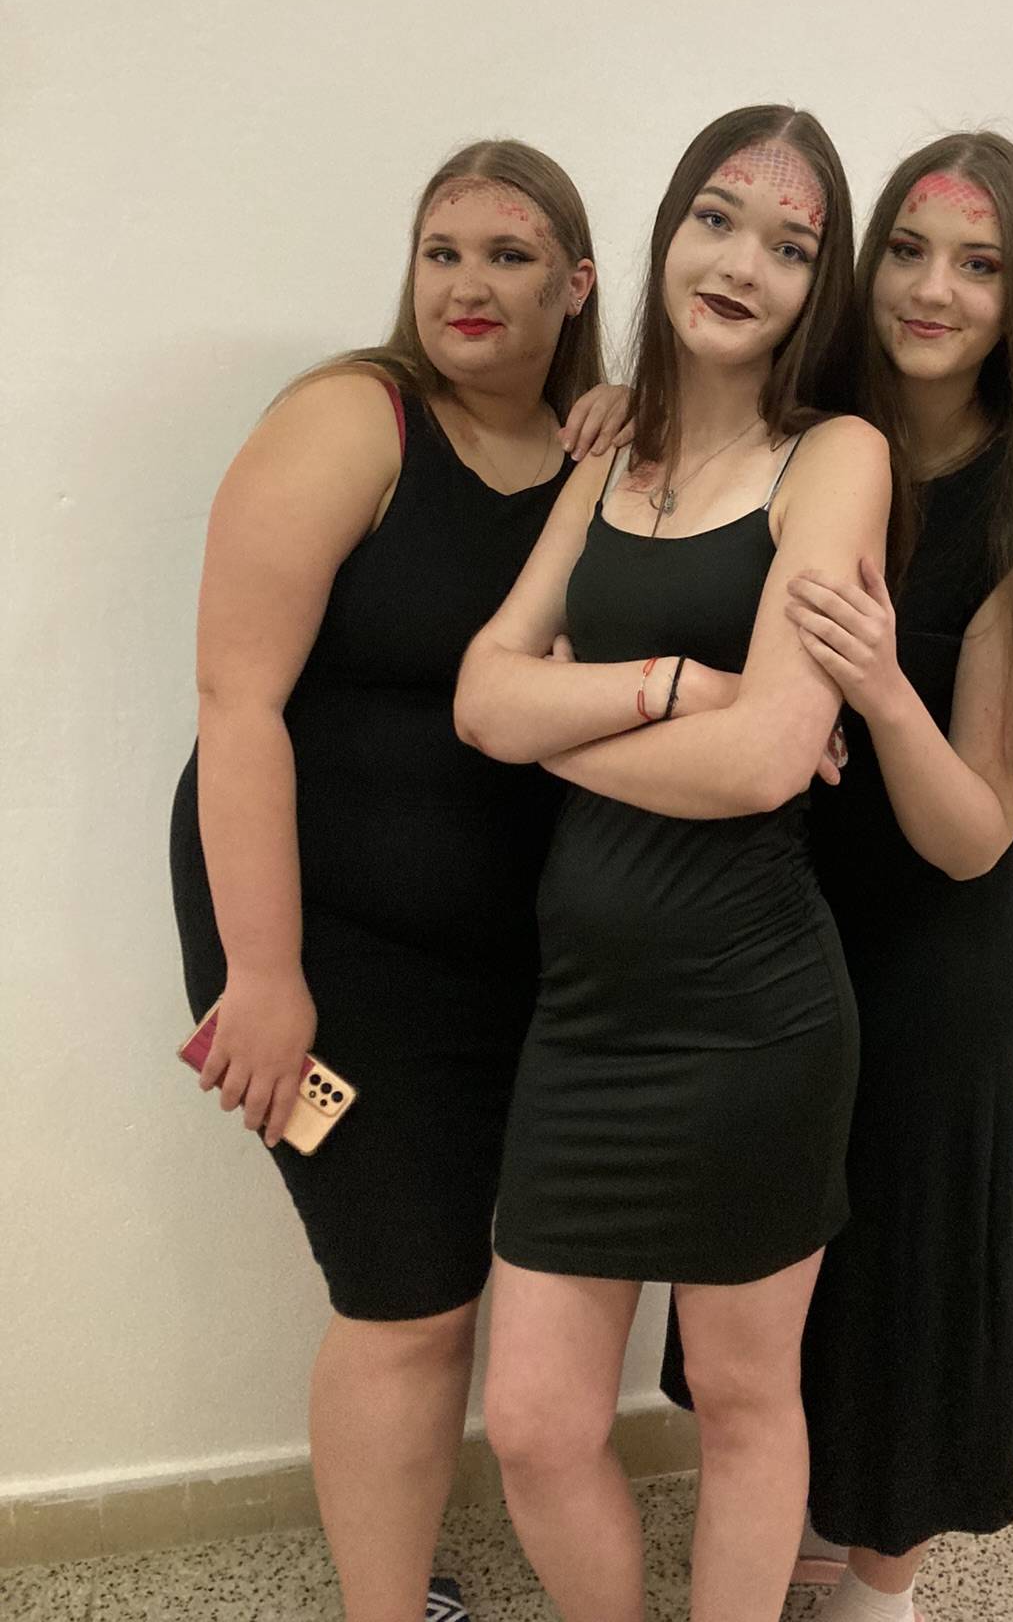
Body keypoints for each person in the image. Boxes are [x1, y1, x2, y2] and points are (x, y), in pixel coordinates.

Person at [663, 132, 1013, 1622]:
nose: (933, 290)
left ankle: (882, 1584)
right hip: (775, 930)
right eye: (911, 253)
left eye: (979, 265)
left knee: (909, 1268)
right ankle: (800, 1523)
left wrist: (878, 684)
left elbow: (973, 831)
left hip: (931, 962)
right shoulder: (820, 440)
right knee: (784, 1262)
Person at [169, 139, 629, 1622]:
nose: (466, 285)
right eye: (442, 252)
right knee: (406, 1296)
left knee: (464, 1284)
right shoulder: (352, 421)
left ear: (575, 285)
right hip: (315, 945)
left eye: (508, 256)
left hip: (509, 955)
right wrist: (265, 978)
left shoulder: (595, 450)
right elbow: (236, 705)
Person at [453, 105, 890, 1622]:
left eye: (791, 246)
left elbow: (766, 762)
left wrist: (559, 723)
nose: (742, 264)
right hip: (583, 1023)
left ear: (819, 289)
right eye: (716, 219)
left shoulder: (835, 457)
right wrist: (673, 688)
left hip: (753, 1018)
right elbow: (477, 691)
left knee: (748, 1405)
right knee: (535, 1423)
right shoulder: (613, 451)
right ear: (665, 236)